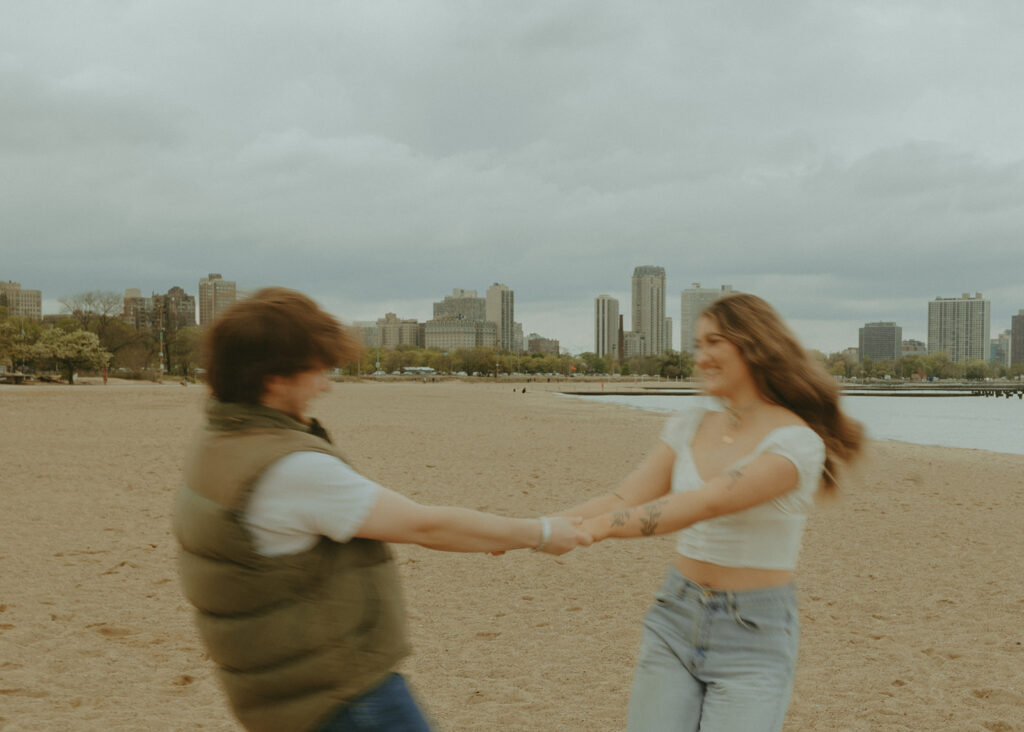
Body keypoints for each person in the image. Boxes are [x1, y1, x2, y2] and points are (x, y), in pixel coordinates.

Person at [172, 287, 590, 732]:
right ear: (275, 379)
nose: (325, 385)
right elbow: (426, 525)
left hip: (277, 694)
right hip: (340, 694)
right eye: (316, 370)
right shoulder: (288, 468)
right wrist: (542, 533)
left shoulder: (217, 440)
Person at [557, 293, 863, 731]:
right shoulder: (690, 424)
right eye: (697, 345)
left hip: (754, 634)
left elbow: (704, 503)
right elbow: (622, 500)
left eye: (713, 342)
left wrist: (595, 531)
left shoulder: (796, 443)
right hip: (674, 616)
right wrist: (538, 529)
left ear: (753, 345)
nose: (701, 358)